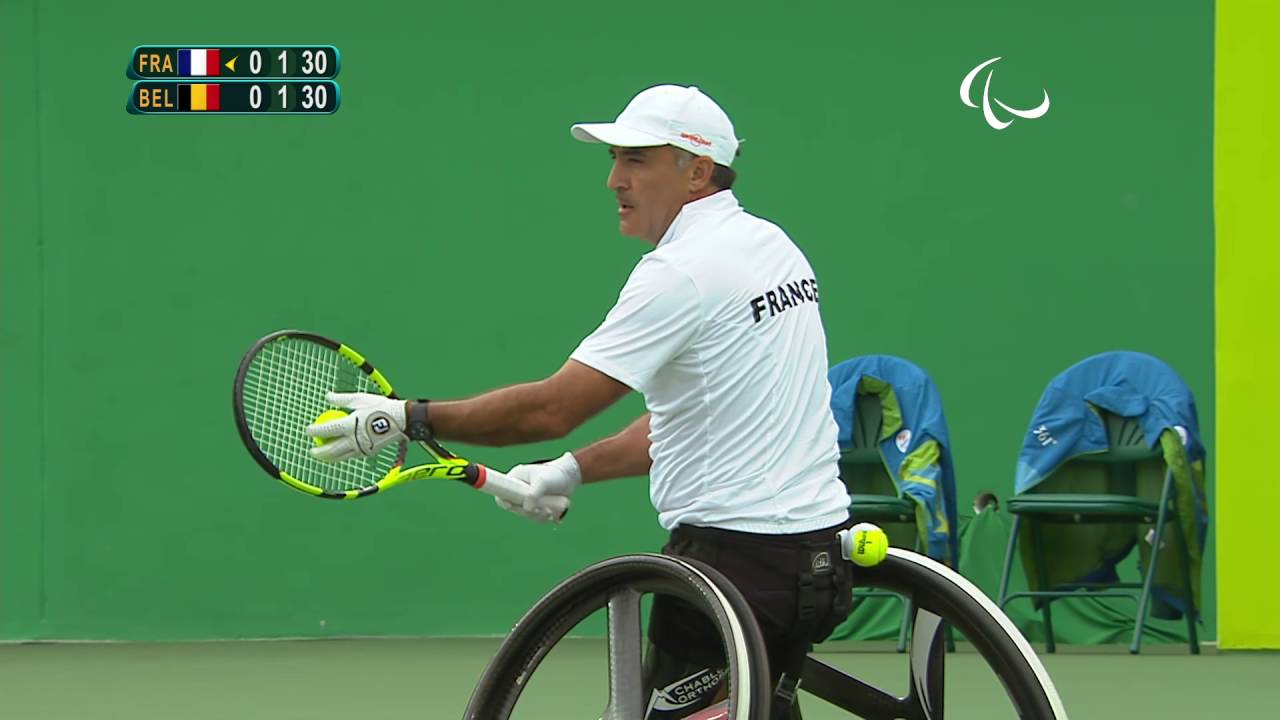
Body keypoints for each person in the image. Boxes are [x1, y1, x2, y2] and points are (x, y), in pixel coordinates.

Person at [307, 84, 854, 719]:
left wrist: (408, 417)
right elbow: (698, 417)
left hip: (731, 570)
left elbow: (551, 409)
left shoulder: (682, 271)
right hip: (818, 565)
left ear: (697, 170)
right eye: (615, 159)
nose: (614, 180)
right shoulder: (774, 249)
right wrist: (571, 469)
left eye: (637, 160)